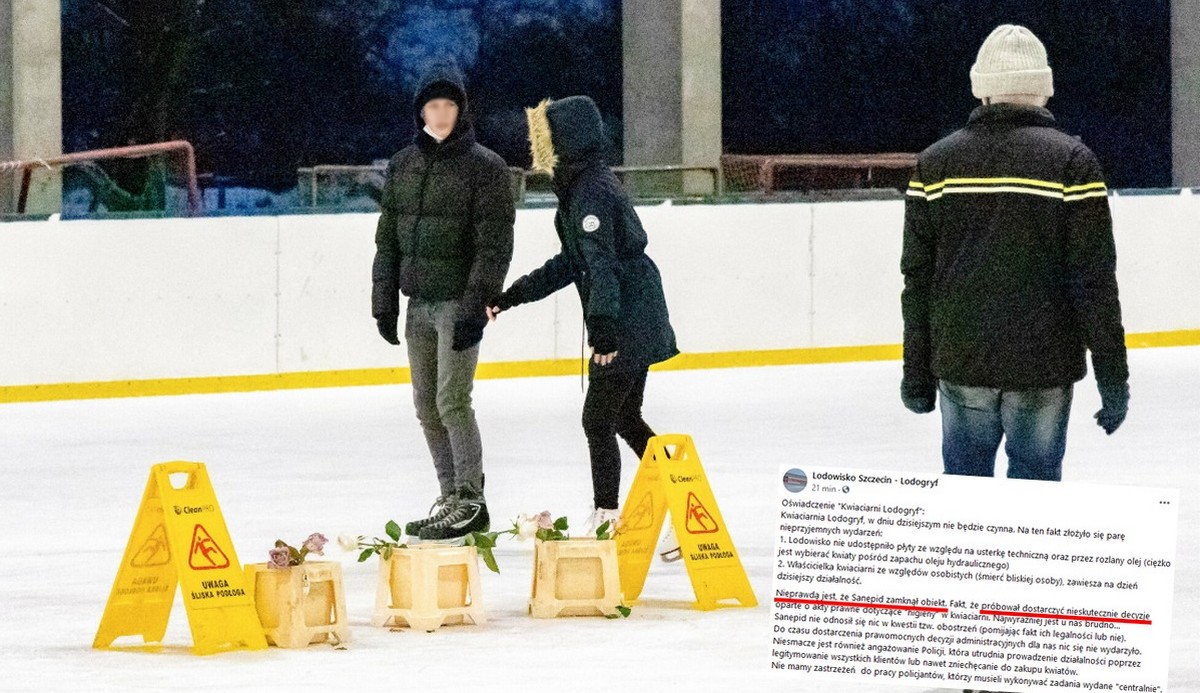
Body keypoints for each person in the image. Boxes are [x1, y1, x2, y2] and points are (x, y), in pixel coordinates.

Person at [901, 25, 1130, 491]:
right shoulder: (1073, 163)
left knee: (966, 497)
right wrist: (1113, 377)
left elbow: (917, 279)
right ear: (1043, 91)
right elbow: (1094, 281)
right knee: (1035, 499)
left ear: (981, 88)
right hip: (1043, 365)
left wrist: (915, 371)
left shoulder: (935, 164)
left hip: (961, 360)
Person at [487, 95, 678, 534]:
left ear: (566, 140)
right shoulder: (583, 185)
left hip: (628, 313)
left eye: (546, 137)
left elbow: (602, 265)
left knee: (598, 419)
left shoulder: (590, 191)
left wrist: (605, 332)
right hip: (636, 307)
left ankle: (607, 517)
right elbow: (571, 263)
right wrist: (512, 296)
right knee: (625, 417)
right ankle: (677, 506)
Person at [371, 63, 515, 542]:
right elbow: (387, 239)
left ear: (461, 110)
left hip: (458, 304)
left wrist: (478, 303)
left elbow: (494, 245)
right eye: (433, 105)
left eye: (449, 105)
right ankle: (450, 498)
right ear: (421, 111)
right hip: (418, 305)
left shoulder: (485, 167)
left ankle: (471, 501)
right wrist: (383, 301)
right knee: (425, 406)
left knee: (453, 401)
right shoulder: (404, 164)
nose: (441, 113)